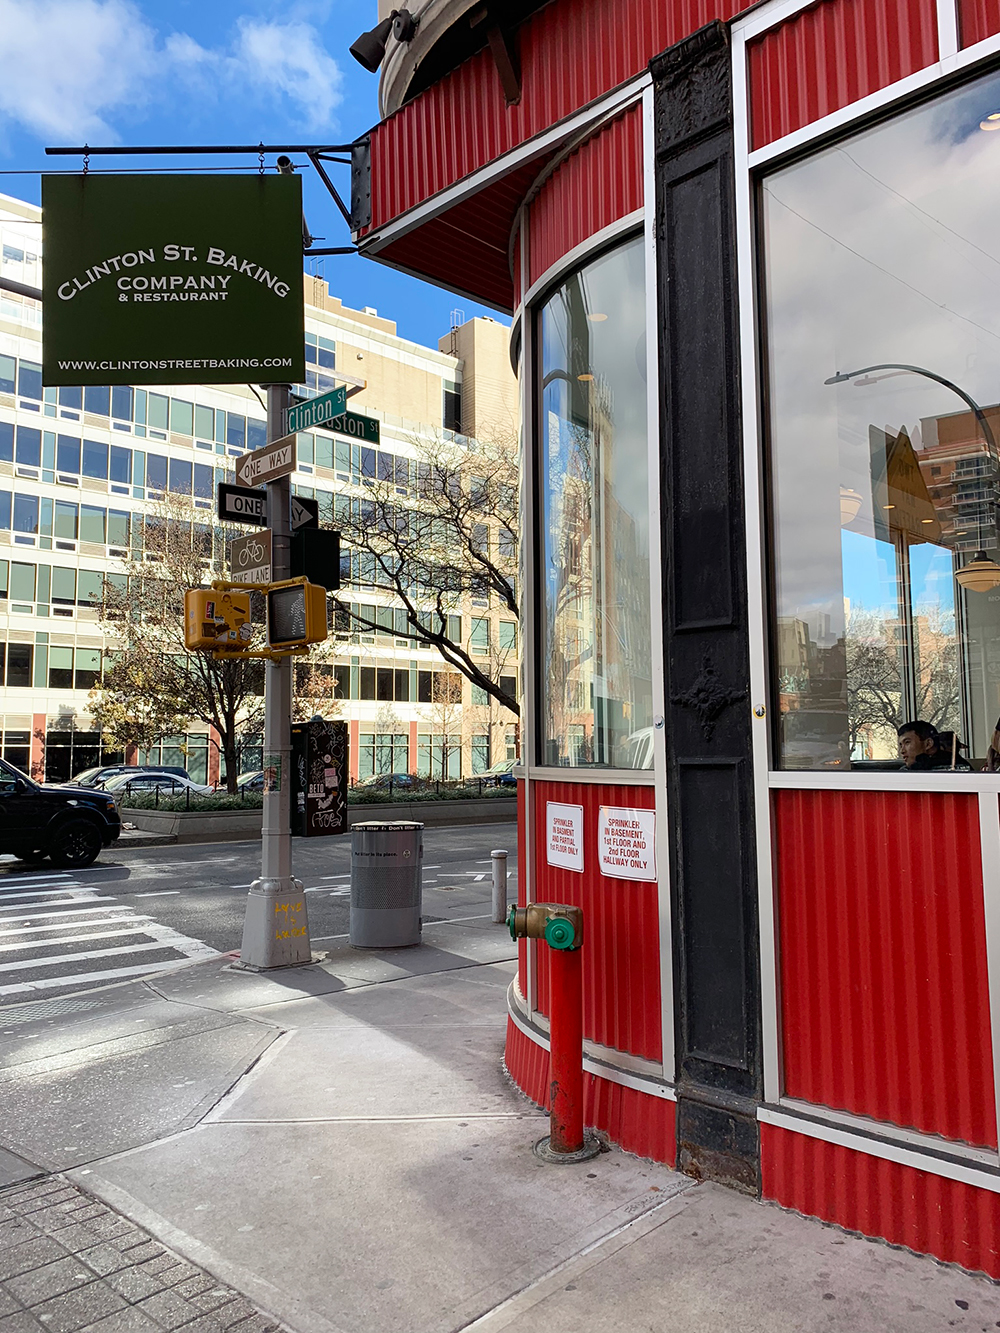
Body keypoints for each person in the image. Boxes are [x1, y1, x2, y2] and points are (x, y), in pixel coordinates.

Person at [897, 720, 972, 771]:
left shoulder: (956, 769)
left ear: (928, 744)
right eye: (901, 745)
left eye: (907, 742)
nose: (902, 751)